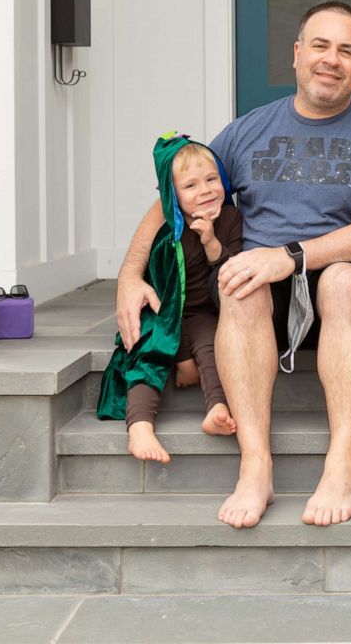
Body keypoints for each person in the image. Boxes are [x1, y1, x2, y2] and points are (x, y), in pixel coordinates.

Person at [115, 2, 351, 528]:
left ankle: (342, 461)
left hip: (345, 282)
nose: (331, 60)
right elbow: (173, 196)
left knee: (341, 281)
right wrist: (130, 275)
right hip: (260, 287)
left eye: (346, 51)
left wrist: (289, 257)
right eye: (320, 46)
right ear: (297, 54)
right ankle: (256, 464)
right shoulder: (245, 132)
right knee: (239, 282)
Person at [98, 135, 242, 464]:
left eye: (211, 179)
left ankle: (217, 407)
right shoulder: (167, 236)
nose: (205, 190)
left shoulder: (232, 220)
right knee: (148, 349)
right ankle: (140, 427)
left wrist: (210, 242)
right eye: (190, 186)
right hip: (164, 312)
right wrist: (180, 358)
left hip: (206, 309)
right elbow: (166, 303)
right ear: (172, 195)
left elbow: (230, 272)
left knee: (213, 344)